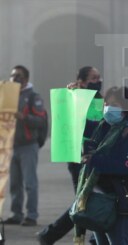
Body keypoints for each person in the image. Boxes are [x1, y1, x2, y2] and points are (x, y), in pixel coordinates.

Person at [37, 66, 102, 245]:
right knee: (83, 201)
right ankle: (51, 234)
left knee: (85, 200)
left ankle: (58, 235)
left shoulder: (98, 99)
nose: (97, 82)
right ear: (81, 82)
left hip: (95, 157)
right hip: (78, 158)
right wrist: (71, 95)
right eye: (93, 78)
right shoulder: (72, 98)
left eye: (98, 78)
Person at [75, 86, 128, 245]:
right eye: (107, 103)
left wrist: (94, 160)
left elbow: (125, 167)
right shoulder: (104, 128)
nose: (108, 108)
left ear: (126, 108)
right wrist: (74, 95)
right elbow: (78, 122)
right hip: (100, 201)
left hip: (122, 203)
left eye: (114, 104)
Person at [4, 65, 46, 226]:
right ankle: (16, 214)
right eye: (13, 75)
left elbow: (40, 120)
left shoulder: (33, 97)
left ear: (26, 79)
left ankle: (32, 215)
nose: (15, 78)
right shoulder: (6, 95)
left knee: (30, 183)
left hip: (28, 145)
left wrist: (24, 117)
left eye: (19, 76)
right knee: (15, 184)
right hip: (11, 145)